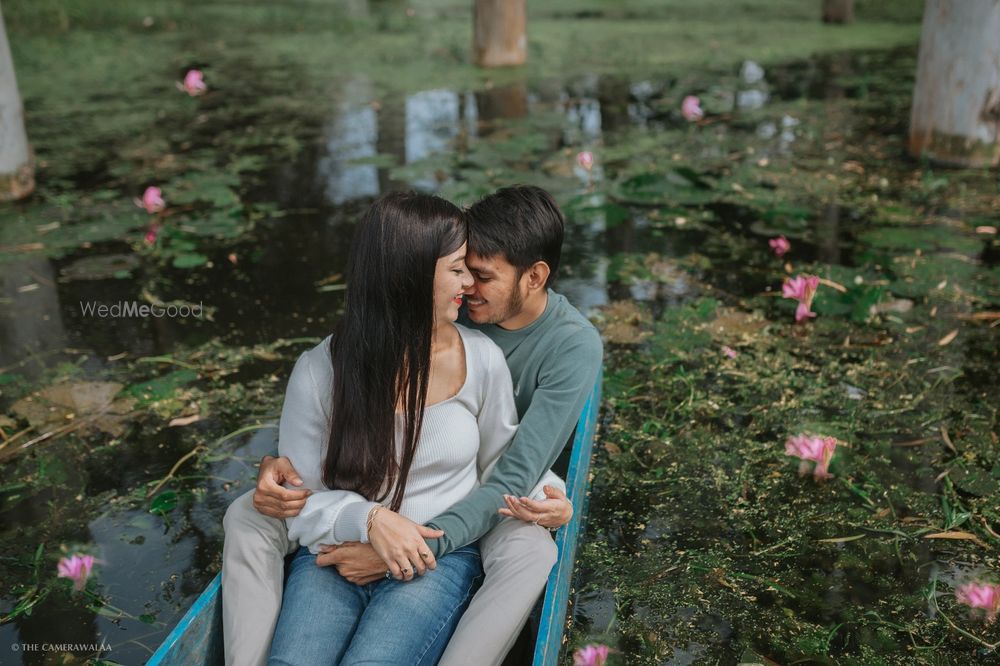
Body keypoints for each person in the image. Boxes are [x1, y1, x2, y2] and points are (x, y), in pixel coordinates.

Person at [224, 186, 603, 665]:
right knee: (247, 515)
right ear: (409, 278)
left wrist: (554, 493)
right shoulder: (328, 364)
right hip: (349, 536)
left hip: (452, 531)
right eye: (460, 269)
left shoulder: (517, 350)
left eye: (478, 273)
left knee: (531, 552)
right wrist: (365, 521)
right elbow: (307, 479)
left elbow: (507, 461)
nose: (468, 286)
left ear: (534, 277)